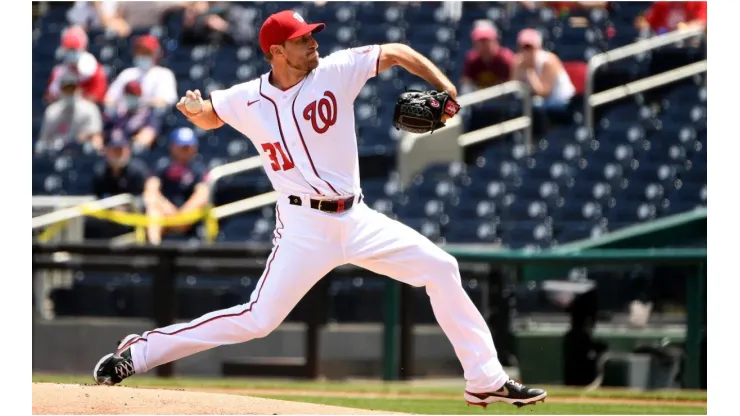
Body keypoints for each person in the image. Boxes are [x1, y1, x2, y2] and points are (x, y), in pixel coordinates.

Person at [92, 10, 547, 408]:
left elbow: (396, 51)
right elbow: (214, 113)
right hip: (302, 227)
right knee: (257, 320)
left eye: (313, 36)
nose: (314, 42)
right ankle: (141, 351)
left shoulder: (335, 70)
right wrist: (196, 111)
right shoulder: (248, 96)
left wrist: (446, 89)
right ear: (275, 51)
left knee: (441, 267)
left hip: (357, 217)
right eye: (302, 39)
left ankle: (484, 380)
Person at [142, 127, 210, 245]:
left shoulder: (199, 169)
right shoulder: (162, 166)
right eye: (182, 146)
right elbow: (151, 191)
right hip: (165, 214)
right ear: (172, 146)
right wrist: (169, 210)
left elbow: (202, 196)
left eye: (188, 146)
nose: (185, 150)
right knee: (153, 210)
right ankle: (154, 248)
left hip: (188, 218)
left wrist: (182, 216)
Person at [87, 134, 150, 238]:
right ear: (107, 151)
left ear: (128, 151)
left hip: (133, 213)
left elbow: (142, 198)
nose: (118, 154)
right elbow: (96, 197)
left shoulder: (137, 170)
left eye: (121, 150)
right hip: (108, 214)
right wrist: (113, 208)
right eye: (115, 150)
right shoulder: (100, 171)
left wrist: (126, 208)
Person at [104, 35, 178, 111]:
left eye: (146, 52)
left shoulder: (164, 74)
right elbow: (109, 99)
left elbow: (165, 102)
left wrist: (139, 103)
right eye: (139, 52)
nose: (142, 55)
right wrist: (124, 105)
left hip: (151, 119)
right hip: (124, 118)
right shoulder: (127, 73)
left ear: (156, 54)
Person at [37, 72, 103, 153]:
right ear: (61, 90)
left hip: (82, 154)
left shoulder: (90, 109)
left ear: (78, 88)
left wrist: (86, 136)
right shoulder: (52, 111)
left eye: (72, 88)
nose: (70, 92)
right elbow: (44, 139)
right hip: (58, 153)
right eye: (66, 89)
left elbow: (97, 138)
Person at [512, 28, 575, 112]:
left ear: (539, 47)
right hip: (541, 106)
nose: (527, 52)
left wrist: (529, 72)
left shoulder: (549, 61)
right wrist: (518, 69)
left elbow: (543, 92)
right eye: (524, 48)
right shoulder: (518, 63)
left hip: (563, 105)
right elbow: (513, 89)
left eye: (530, 47)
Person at [45, 25, 108, 104]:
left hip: (86, 112)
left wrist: (77, 97)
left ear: (84, 49)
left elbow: (97, 97)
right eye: (69, 50)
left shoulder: (94, 69)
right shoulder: (59, 71)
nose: (72, 53)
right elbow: (49, 97)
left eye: (74, 50)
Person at [103, 80, 163, 151]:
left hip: (133, 152)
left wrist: (134, 143)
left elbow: (148, 135)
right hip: (114, 149)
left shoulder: (148, 114)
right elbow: (104, 134)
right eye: (128, 95)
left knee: (138, 148)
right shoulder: (117, 114)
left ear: (140, 96)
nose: (131, 98)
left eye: (134, 95)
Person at [461, 21, 515, 94]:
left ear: (495, 41)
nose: (484, 45)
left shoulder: (505, 58)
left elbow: (512, 85)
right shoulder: (472, 60)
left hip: (503, 100)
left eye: (487, 41)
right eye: (480, 41)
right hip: (480, 100)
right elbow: (466, 84)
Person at [635, 1, 707, 35]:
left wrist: (687, 26)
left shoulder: (698, 3)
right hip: (664, 46)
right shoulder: (661, 4)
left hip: (691, 47)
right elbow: (646, 22)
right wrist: (643, 22)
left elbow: (702, 23)